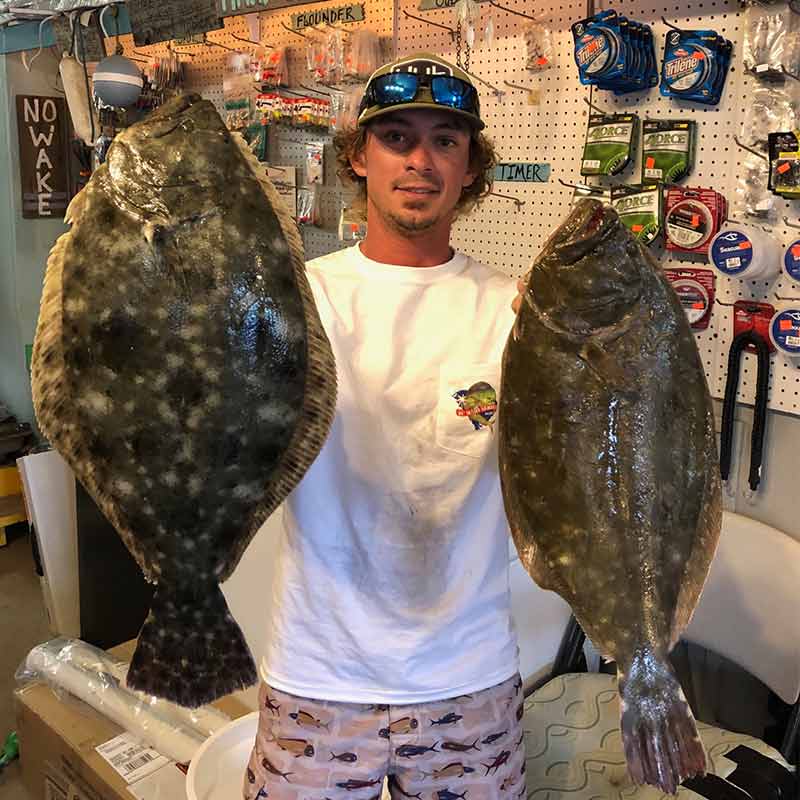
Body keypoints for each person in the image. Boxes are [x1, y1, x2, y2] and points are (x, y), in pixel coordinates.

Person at [244, 52, 528, 800]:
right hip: (318, 671)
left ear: (471, 168)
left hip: (469, 676)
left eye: (446, 141)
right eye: (397, 137)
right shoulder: (296, 299)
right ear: (357, 158)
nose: (421, 160)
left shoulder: (521, 314)